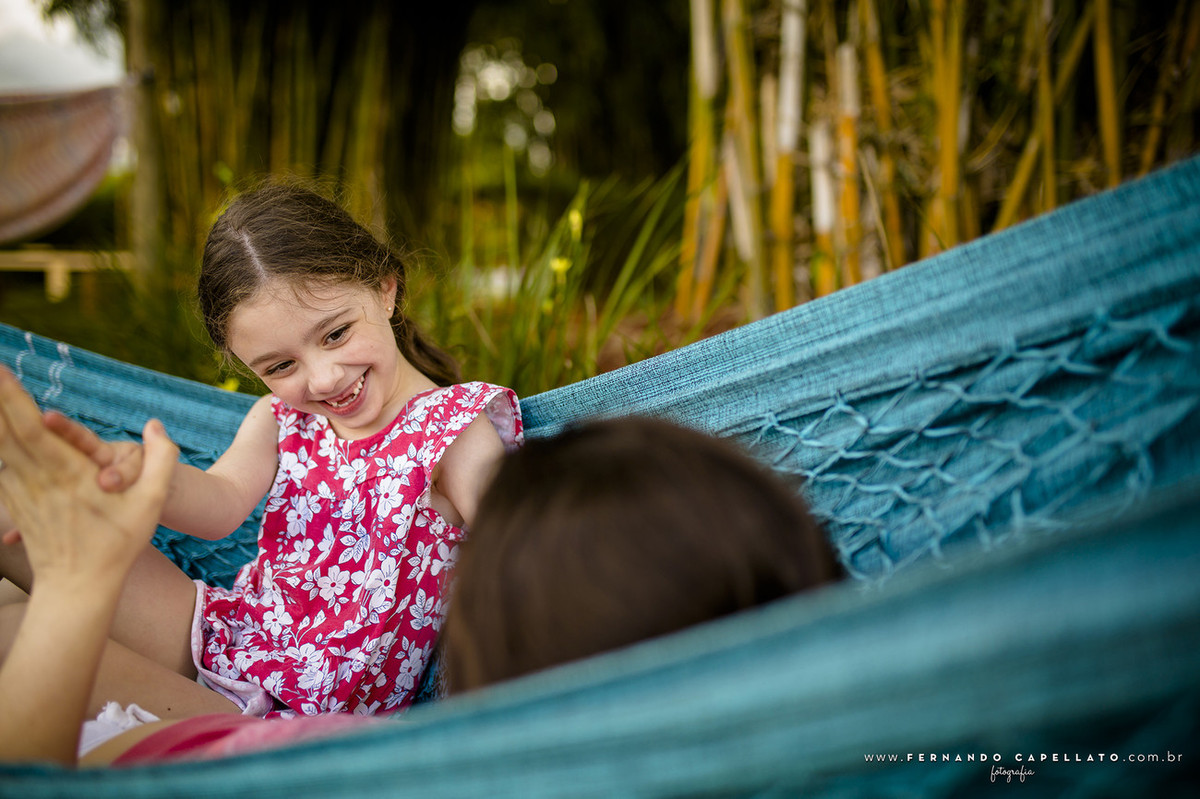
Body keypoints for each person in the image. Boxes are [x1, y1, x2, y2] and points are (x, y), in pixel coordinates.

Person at [0, 372, 838, 764]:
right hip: (230, 682)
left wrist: (78, 580)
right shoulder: (410, 754)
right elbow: (219, 497)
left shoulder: (394, 767)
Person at [0, 184, 522, 723]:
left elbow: (525, 557)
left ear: (385, 289)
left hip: (309, 719)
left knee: (20, 638)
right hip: (230, 643)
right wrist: (144, 479)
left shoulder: (454, 432)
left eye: (337, 333)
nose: (323, 380)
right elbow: (218, 502)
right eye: (279, 367)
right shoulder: (279, 419)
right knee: (10, 507)